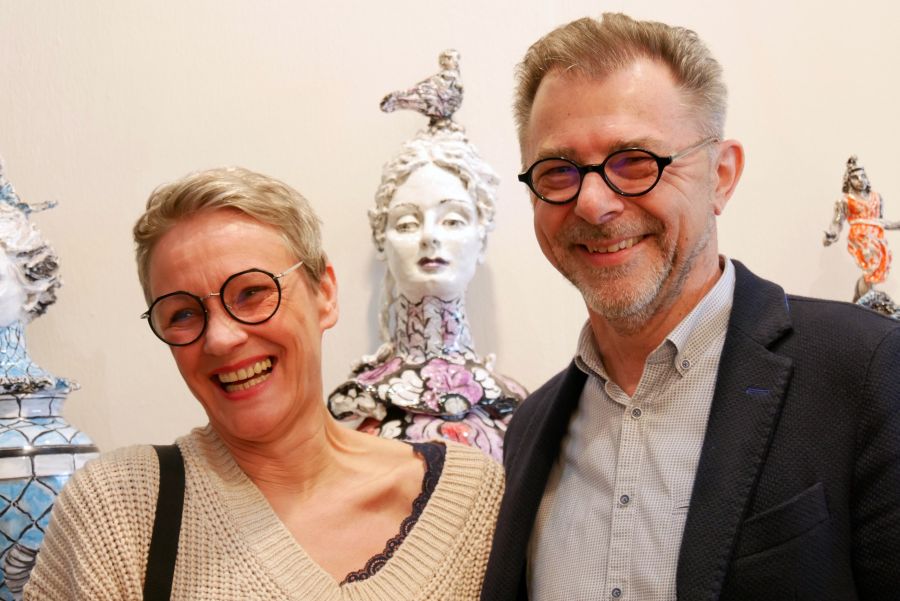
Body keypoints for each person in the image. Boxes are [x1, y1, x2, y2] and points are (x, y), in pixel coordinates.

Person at [482, 12, 900, 601]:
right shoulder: (529, 429)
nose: (593, 203)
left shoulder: (867, 371)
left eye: (635, 161)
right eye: (558, 172)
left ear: (721, 176)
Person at [24, 167, 503, 600]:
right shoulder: (118, 512)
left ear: (325, 294)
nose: (221, 338)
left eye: (252, 292)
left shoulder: (474, 501)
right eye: (183, 314)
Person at [328, 56, 525, 462]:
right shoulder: (362, 408)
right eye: (406, 223)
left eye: (453, 220)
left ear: (481, 237)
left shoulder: (516, 411)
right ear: (380, 237)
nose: (430, 237)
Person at [824, 155, 900, 301]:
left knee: (876, 269)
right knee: (870, 268)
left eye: (863, 176)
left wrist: (896, 224)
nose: (860, 180)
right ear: (848, 180)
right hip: (860, 237)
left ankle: (859, 300)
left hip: (877, 238)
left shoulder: (876, 198)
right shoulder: (845, 201)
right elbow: (837, 222)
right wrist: (832, 235)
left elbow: (880, 221)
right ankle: (866, 299)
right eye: (855, 178)